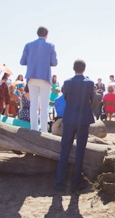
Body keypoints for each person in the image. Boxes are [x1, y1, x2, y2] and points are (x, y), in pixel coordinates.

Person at [54, 59, 95, 192]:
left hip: (70, 117)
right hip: (83, 118)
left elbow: (65, 97)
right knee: (80, 151)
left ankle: (59, 181)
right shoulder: (89, 83)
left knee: (65, 149)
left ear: (73, 68)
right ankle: (76, 182)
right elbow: (92, 99)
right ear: (84, 68)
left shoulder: (67, 82)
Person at [20, 26, 58, 133]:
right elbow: (54, 63)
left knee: (33, 105)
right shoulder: (50, 46)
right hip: (45, 77)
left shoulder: (28, 45)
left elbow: (22, 61)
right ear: (46, 34)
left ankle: (34, 129)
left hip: (31, 76)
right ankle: (44, 131)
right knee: (44, 105)